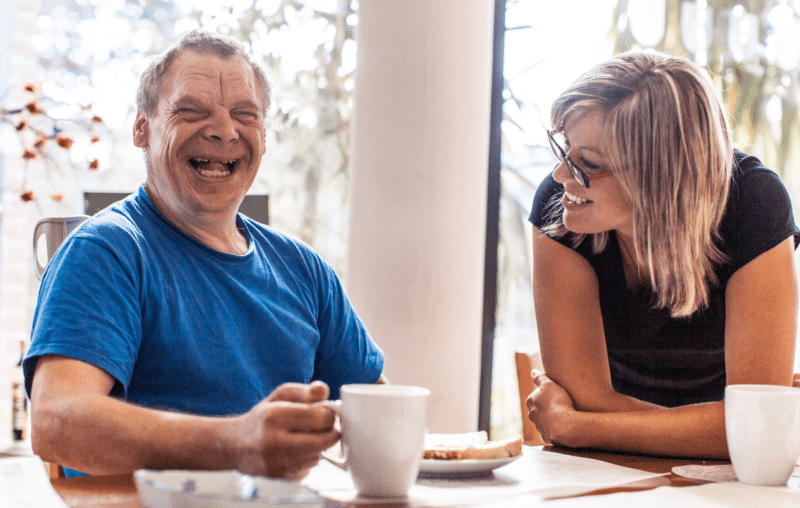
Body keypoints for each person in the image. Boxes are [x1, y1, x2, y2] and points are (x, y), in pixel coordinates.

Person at [24, 30, 385, 479]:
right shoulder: (106, 252)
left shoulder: (305, 271)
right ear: (142, 128)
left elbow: (382, 410)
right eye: (191, 112)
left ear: (264, 137)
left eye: (245, 115)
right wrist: (234, 444)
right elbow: (57, 423)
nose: (223, 130)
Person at [527, 51, 799, 459]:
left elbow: (757, 424)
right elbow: (584, 400)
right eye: (564, 147)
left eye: (587, 163)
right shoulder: (562, 207)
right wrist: (712, 431)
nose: (560, 175)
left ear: (657, 176)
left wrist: (577, 427)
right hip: (605, 461)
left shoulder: (754, 204)